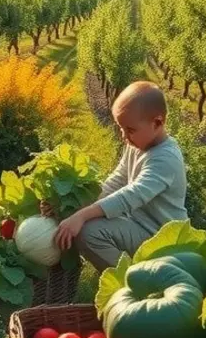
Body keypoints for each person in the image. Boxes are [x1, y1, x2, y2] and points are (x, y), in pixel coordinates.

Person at [53, 81, 187, 271]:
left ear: (157, 123)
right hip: (138, 225)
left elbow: (131, 196)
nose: (124, 136)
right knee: (86, 222)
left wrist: (82, 216)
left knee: (89, 233)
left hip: (162, 237)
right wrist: (80, 209)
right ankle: (131, 272)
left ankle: (140, 281)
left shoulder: (166, 158)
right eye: (121, 128)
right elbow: (116, 181)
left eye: (130, 130)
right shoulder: (137, 145)